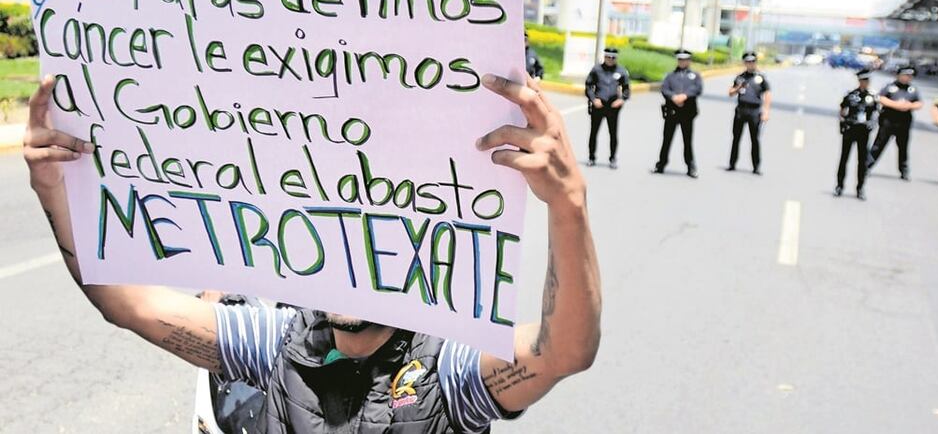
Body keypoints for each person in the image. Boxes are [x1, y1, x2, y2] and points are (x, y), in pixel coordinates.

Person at [22, 74, 601, 433]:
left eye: (375, 241)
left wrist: (568, 204)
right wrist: (55, 193)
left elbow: (563, 352)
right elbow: (128, 305)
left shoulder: (446, 373)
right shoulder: (274, 343)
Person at [653, 49, 703, 178]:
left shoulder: (695, 76)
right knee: (667, 139)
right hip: (672, 111)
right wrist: (674, 97)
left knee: (687, 141)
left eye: (684, 59)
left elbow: (698, 89)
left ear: (689, 61)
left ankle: (691, 167)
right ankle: (661, 164)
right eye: (680, 59)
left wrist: (685, 96)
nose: (682, 62)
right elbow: (664, 89)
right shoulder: (670, 76)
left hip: (687, 112)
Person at [867, 65, 922, 181]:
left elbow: (919, 103)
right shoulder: (890, 87)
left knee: (903, 147)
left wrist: (909, 105)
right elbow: (880, 98)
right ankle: (867, 166)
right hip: (889, 120)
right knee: (879, 144)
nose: (907, 78)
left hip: (904, 121)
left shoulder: (912, 89)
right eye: (905, 75)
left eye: (909, 76)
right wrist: (896, 105)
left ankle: (904, 170)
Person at [835, 69, 879, 200]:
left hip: (863, 131)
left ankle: (860, 188)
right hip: (851, 129)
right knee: (844, 159)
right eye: (863, 80)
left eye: (867, 80)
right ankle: (839, 185)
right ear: (859, 81)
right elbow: (843, 110)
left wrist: (872, 123)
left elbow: (876, 112)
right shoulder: (851, 95)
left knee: (862, 161)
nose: (866, 83)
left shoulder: (872, 96)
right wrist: (842, 123)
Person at [585, 46, 631, 168]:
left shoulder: (621, 71)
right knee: (594, 133)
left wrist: (621, 100)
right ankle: (591, 157)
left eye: (613, 57)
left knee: (613, 134)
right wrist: (593, 99)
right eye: (608, 57)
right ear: (604, 57)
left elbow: (626, 90)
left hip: (613, 107)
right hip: (599, 105)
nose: (610, 59)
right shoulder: (596, 69)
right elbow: (588, 86)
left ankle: (612, 158)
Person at [726, 52, 772, 174]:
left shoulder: (761, 78)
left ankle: (756, 166)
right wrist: (738, 88)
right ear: (744, 63)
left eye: (752, 62)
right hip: (741, 110)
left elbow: (767, 94)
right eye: (748, 62)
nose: (750, 64)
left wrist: (766, 111)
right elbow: (730, 92)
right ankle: (732, 163)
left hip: (755, 111)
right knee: (736, 137)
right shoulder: (740, 77)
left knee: (755, 139)